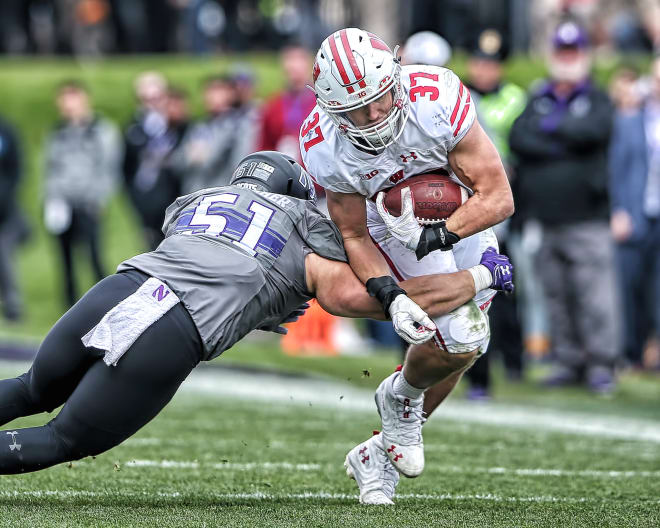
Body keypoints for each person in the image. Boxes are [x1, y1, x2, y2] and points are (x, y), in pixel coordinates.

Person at [0, 151, 514, 475]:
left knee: (31, 389)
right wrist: (478, 278)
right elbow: (352, 298)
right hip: (174, 326)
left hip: (120, 287)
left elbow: (218, 258)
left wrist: (266, 300)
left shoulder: (193, 202)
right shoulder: (304, 223)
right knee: (63, 438)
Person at [301, 28, 514, 496]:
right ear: (332, 109)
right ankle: (400, 410)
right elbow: (354, 233)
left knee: (464, 348)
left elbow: (497, 196)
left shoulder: (436, 96)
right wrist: (390, 295)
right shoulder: (325, 144)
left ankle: (387, 431)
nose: (376, 115)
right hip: (386, 224)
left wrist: (438, 234)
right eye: (358, 109)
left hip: (456, 215)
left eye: (381, 98)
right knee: (462, 336)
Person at [509, 20, 620, 393]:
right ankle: (569, 360)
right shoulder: (539, 95)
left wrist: (551, 130)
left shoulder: (597, 96)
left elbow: (595, 132)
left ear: (584, 56)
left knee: (594, 295)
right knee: (555, 293)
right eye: (562, 52)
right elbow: (520, 137)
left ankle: (602, 363)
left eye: (573, 52)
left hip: (587, 216)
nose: (567, 59)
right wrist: (564, 136)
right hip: (545, 214)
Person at [462, 28, 528, 399]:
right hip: (469, 200)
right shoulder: (458, 98)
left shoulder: (516, 99)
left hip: (506, 202)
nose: (485, 68)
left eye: (491, 62)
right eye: (480, 61)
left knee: (505, 286)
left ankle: (513, 360)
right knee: (478, 283)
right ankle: (475, 367)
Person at [43, 80, 122, 307]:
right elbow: (51, 168)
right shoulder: (58, 132)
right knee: (65, 258)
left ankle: (107, 302)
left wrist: (99, 198)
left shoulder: (101, 130)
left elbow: (108, 168)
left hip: (89, 201)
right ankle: (70, 306)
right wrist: (51, 198)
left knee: (94, 255)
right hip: (63, 203)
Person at [609, 57, 660, 369]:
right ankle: (630, 351)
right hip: (637, 214)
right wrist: (618, 210)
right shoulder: (630, 119)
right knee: (628, 285)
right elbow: (616, 168)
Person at [258, 44, 316, 162]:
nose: (294, 67)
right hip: (282, 172)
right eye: (290, 61)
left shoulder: (321, 104)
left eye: (299, 60)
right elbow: (264, 145)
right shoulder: (273, 105)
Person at [0, 115, 28, 321]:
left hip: (5, 209)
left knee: (4, 251)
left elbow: (17, 169)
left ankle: (13, 304)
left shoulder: (6, 131)